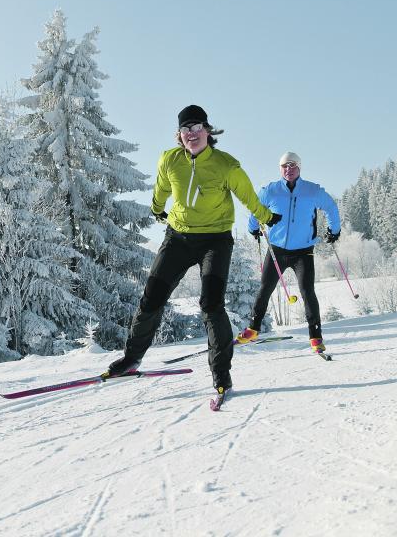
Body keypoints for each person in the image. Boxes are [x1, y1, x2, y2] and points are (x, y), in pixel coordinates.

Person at [104, 104, 281, 398]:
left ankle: (222, 375)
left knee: (211, 305)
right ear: (179, 135)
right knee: (152, 298)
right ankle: (131, 359)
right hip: (178, 238)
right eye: (186, 129)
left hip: (215, 240)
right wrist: (158, 209)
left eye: (197, 127)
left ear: (208, 131)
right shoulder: (170, 160)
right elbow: (162, 187)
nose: (192, 133)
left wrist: (265, 216)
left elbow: (247, 195)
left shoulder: (226, 165)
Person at [239, 151, 341, 354]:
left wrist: (334, 229)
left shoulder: (312, 190)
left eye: (293, 165)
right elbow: (255, 208)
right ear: (280, 169)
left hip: (303, 251)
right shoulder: (270, 190)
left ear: (299, 168)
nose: (289, 169)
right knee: (265, 289)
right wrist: (253, 227)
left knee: (307, 291)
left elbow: (330, 206)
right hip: (277, 250)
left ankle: (316, 337)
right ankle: (253, 328)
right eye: (285, 166)